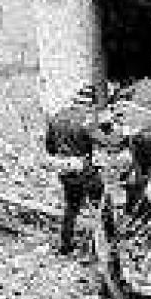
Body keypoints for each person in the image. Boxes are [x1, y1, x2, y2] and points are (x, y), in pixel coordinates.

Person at [44, 85, 115, 256]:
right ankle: (112, 242)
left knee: (71, 208)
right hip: (84, 170)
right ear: (90, 103)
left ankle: (65, 246)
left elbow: (50, 148)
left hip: (64, 170)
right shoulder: (87, 121)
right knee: (102, 204)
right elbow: (105, 143)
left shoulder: (57, 117)